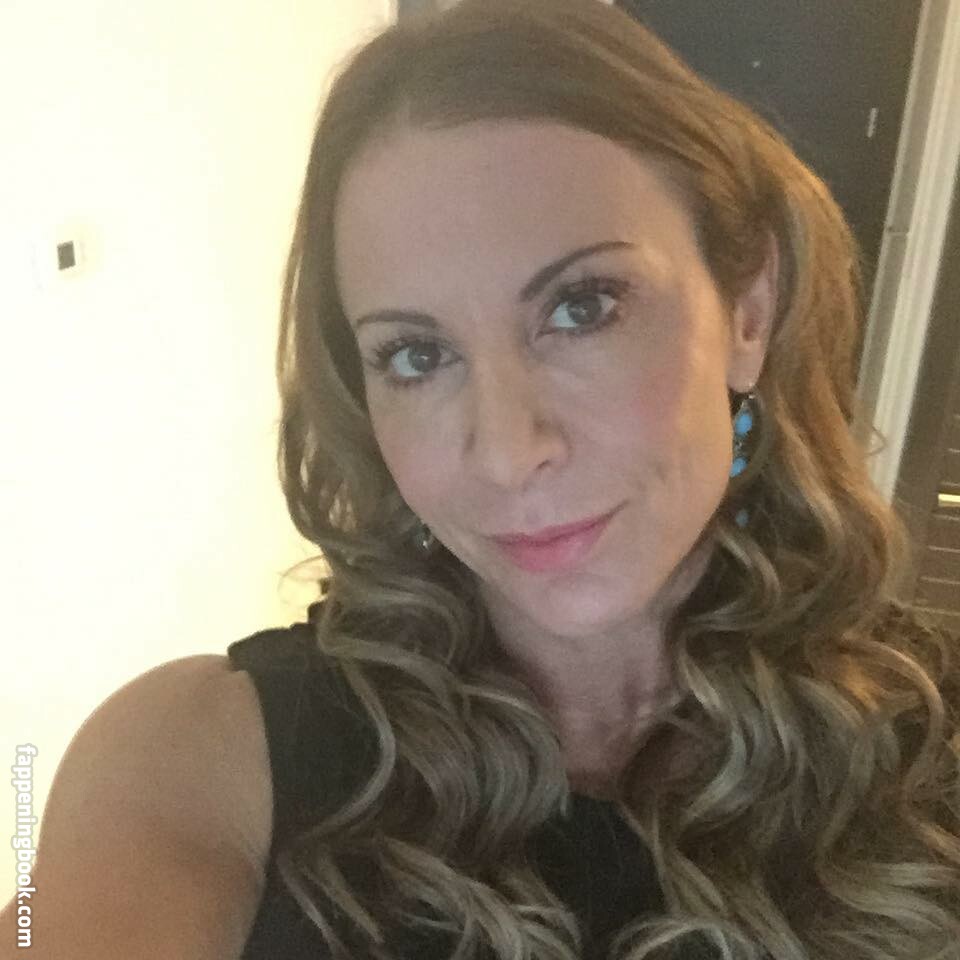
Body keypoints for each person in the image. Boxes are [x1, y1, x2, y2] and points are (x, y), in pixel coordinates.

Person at [3, 1, 958, 958]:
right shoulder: (201, 758)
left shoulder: (929, 750)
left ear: (747, 309)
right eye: (417, 356)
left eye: (583, 308)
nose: (506, 452)